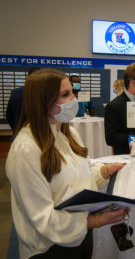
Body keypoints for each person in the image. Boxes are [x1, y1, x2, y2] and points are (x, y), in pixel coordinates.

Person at [6, 68, 128, 259]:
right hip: (49, 248)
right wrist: (95, 221)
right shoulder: (26, 149)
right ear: (43, 101)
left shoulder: (69, 135)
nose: (74, 98)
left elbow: (79, 182)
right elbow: (42, 218)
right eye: (65, 94)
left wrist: (105, 171)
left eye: (72, 91)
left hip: (79, 240)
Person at [6, 67, 41, 133]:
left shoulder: (15, 93)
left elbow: (9, 116)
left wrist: (16, 127)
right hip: (38, 134)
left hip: (18, 131)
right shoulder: (44, 94)